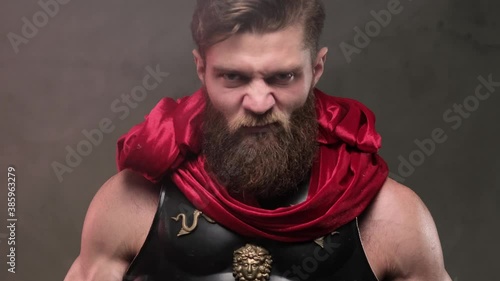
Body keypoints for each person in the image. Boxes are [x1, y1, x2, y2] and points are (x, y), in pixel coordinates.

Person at [64, 0, 452, 280]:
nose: (259, 102)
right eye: (233, 77)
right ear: (201, 68)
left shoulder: (391, 218)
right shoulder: (132, 206)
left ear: (316, 69)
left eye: (282, 77)